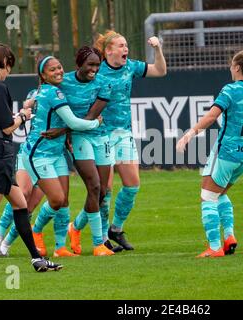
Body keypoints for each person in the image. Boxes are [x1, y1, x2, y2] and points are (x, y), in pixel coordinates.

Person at [0, 43, 62, 276]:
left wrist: (11, 119)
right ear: (4, 62)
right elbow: (7, 128)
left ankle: (37, 259)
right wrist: (24, 115)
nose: (9, 72)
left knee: (20, 204)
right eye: (9, 66)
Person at [176, 48, 243, 257]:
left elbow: (212, 116)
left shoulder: (230, 90)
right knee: (220, 193)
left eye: (232, 65)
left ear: (238, 68)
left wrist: (190, 133)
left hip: (225, 152)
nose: (230, 68)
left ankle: (214, 247)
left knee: (207, 197)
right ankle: (229, 236)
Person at [93, 30, 167, 250]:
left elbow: (160, 71)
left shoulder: (131, 66)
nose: (126, 49)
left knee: (132, 185)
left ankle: (115, 229)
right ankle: (100, 238)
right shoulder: (95, 70)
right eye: (121, 46)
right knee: (104, 190)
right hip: (102, 134)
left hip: (124, 133)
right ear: (108, 50)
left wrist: (157, 49)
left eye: (126, 45)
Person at [25, 56, 102, 257]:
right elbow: (75, 123)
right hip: (40, 154)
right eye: (52, 70)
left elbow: (30, 102)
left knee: (64, 200)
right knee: (56, 199)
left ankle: (60, 248)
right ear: (43, 75)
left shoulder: (49, 90)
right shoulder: (52, 92)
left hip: (57, 153)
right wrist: (96, 123)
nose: (59, 71)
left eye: (59, 67)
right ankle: (35, 231)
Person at [60, 46, 118, 256]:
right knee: (93, 186)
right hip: (78, 137)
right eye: (90, 64)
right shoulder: (64, 82)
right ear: (79, 64)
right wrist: (66, 133)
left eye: (97, 65)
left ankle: (75, 228)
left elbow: (92, 116)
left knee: (102, 192)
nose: (94, 69)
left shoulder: (104, 83)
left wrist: (66, 128)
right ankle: (97, 245)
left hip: (99, 135)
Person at [0, 89, 46, 257]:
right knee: (22, 193)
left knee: (31, 205)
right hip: (30, 151)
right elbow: (26, 107)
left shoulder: (65, 93)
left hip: (52, 155)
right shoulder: (36, 93)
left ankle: (6, 244)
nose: (58, 73)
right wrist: (31, 104)